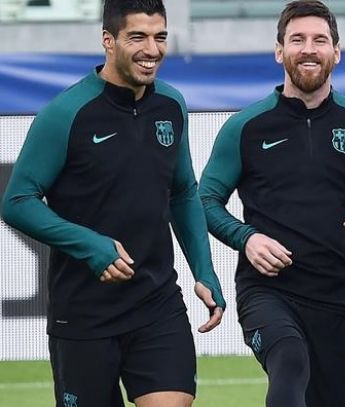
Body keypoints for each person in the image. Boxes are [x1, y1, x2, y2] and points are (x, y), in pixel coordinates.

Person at [1, 1, 225, 406]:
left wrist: (204, 270)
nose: (152, 49)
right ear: (109, 40)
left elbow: (183, 192)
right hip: (83, 316)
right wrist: (91, 245)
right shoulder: (66, 113)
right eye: (137, 37)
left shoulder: (171, 105)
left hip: (157, 303)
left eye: (159, 37)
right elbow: (17, 201)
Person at [199, 1, 345, 406]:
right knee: (290, 360)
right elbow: (205, 200)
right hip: (267, 292)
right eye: (297, 39)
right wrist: (247, 239)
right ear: (279, 51)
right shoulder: (245, 127)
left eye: (320, 40)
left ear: (337, 51)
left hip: (339, 294)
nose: (309, 49)